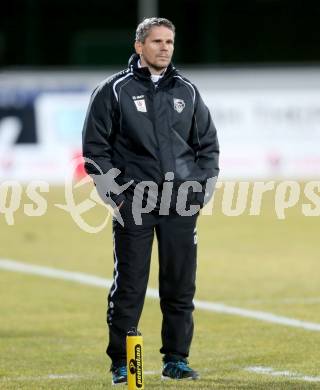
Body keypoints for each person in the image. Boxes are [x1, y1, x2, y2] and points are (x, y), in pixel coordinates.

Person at [82, 17, 219, 385]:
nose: (165, 47)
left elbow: (207, 145)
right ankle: (123, 363)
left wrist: (201, 190)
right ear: (139, 46)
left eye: (170, 41)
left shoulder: (187, 91)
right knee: (129, 286)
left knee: (179, 285)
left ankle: (176, 359)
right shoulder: (113, 91)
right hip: (135, 204)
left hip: (180, 204)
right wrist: (116, 197)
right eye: (157, 41)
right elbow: (96, 150)